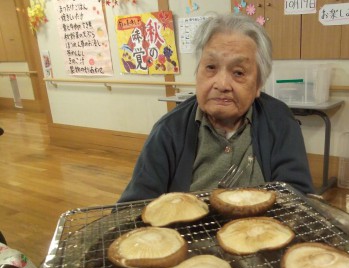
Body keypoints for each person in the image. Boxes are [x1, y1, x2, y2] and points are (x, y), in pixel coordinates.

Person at [119, 14, 314, 203]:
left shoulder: (280, 122)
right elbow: (133, 206)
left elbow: (296, 197)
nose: (221, 84)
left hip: (259, 232)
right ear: (197, 73)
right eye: (211, 67)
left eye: (238, 72)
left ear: (258, 85)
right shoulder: (169, 129)